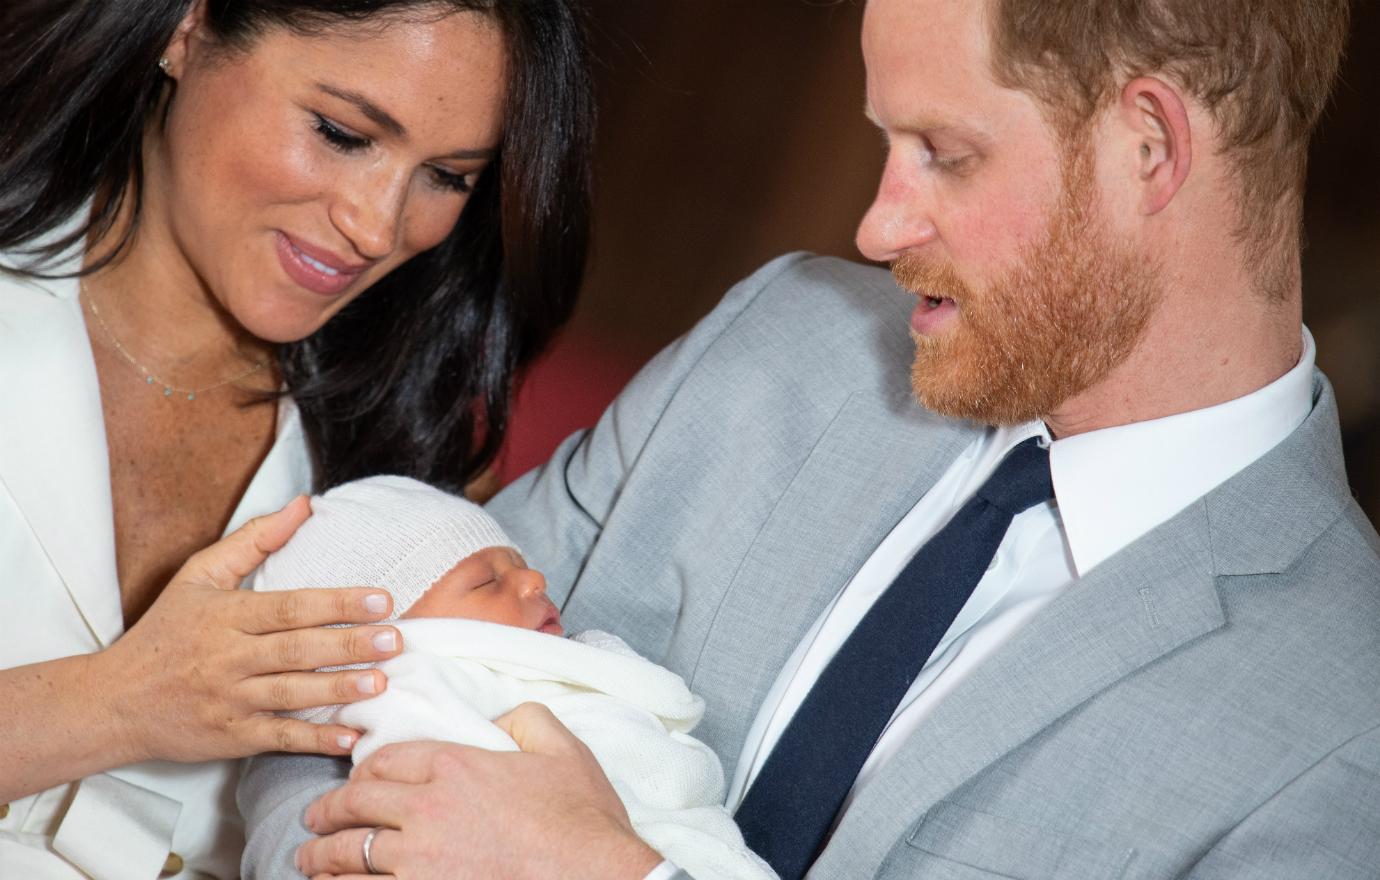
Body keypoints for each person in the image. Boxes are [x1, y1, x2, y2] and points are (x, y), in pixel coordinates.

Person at [244, 0, 1380, 878]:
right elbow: (337, 680)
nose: (879, 227)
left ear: (1150, 146)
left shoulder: (1344, 732)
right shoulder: (782, 340)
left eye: (946, 151)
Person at [0, 0, 592, 876]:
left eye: (449, 177)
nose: (378, 225)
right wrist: (116, 703)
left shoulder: (410, 472)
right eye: (343, 132)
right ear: (188, 29)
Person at [248, 475, 777, 880]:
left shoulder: (550, 666)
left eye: (520, 562)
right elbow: (460, 806)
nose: (534, 579)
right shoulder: (413, 686)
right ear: (380, 643)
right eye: (486, 581)